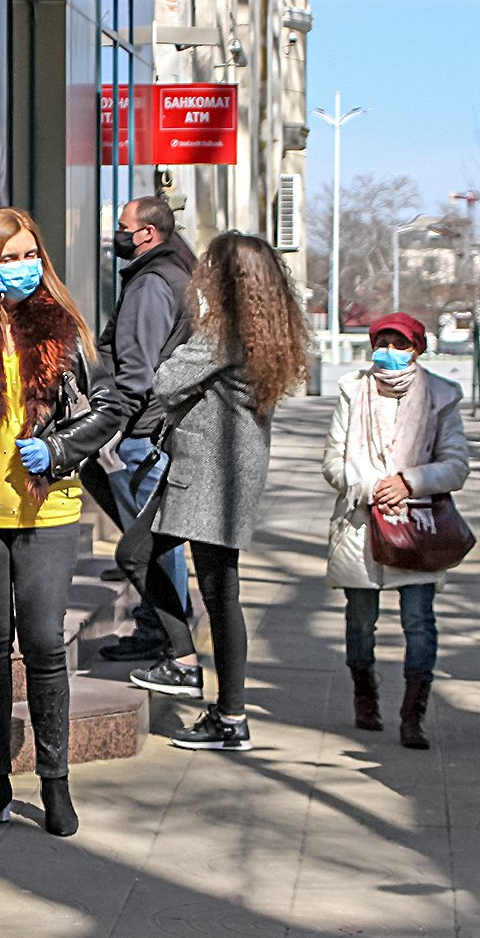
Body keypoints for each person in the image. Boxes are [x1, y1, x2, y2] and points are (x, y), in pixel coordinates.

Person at [0, 207, 121, 837]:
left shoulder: (66, 326)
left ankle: (55, 784)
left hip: (47, 510)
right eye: (8, 258)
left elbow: (110, 406)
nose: (23, 268)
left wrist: (59, 450)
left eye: (30, 255)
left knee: (41, 642)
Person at [128, 231, 310, 750]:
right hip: (223, 472)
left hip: (210, 474)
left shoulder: (224, 332)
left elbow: (164, 380)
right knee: (199, 582)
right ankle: (207, 690)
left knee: (196, 581)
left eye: (208, 268)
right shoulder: (263, 330)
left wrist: (198, 323)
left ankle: (220, 706)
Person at [322, 312, 470, 750]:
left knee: (419, 622)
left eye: (400, 343)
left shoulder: (441, 396)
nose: (389, 351)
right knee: (360, 621)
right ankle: (365, 697)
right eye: (382, 341)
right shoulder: (352, 390)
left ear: (418, 349)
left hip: (418, 526)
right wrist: (370, 488)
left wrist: (409, 482)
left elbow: (456, 464)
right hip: (361, 524)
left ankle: (413, 715)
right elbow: (333, 461)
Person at [89, 196, 194, 662]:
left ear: (147, 234)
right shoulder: (173, 273)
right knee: (151, 537)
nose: (116, 234)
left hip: (142, 431)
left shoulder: (152, 283)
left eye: (122, 226)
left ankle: (163, 633)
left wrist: (111, 424)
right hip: (152, 426)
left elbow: (137, 367)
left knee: (149, 542)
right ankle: (165, 630)